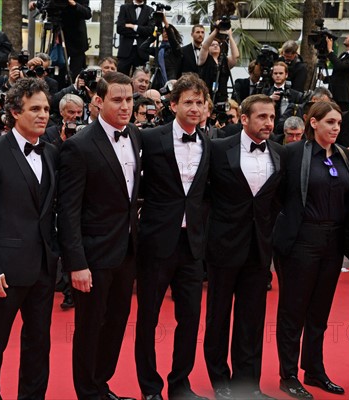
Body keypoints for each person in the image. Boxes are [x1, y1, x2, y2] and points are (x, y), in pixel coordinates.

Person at [0, 78, 59, 399]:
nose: (44, 114)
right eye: (35, 108)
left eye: (46, 108)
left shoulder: (50, 153)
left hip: (44, 270)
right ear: (14, 112)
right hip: (3, 272)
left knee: (38, 346)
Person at [57, 71, 141, 400]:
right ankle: (88, 392)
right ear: (98, 101)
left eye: (130, 99)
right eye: (117, 100)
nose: (125, 106)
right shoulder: (79, 146)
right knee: (90, 327)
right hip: (92, 256)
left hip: (127, 252)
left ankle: (100, 385)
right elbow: (68, 211)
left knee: (116, 324)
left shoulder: (135, 136)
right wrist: (76, 262)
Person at [273, 101, 349, 399]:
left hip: (334, 244)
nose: (336, 128)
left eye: (338, 123)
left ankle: (314, 369)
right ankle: (288, 374)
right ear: (313, 123)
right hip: (301, 241)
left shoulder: (344, 155)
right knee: (293, 311)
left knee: (320, 312)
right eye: (330, 122)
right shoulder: (293, 153)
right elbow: (276, 197)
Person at [204, 94, 285, 400]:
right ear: (244, 119)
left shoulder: (279, 153)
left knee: (252, 320)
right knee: (218, 317)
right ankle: (219, 379)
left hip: (259, 248)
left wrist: (264, 225)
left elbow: (277, 198)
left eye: (272, 117)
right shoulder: (218, 148)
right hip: (223, 246)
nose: (268, 123)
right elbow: (205, 193)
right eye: (262, 117)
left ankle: (247, 383)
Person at [135, 73, 210, 400]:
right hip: (156, 243)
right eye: (189, 102)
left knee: (190, 320)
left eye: (200, 102)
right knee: (147, 320)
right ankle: (150, 388)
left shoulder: (211, 143)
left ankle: (180, 384)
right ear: (173, 104)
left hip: (192, 246)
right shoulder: (150, 139)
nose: (195, 108)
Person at [137, 14, 182, 90]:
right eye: (164, 32)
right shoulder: (158, 49)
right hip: (157, 82)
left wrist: (165, 22)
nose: (166, 33)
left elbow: (174, 43)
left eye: (168, 32)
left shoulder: (176, 49)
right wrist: (154, 36)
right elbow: (142, 48)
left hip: (171, 82)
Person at [198, 26, 239, 104]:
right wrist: (216, 30)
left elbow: (235, 56)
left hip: (222, 98)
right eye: (212, 45)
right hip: (207, 97)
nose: (215, 46)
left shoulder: (224, 60)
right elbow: (204, 47)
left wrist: (230, 36)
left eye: (217, 45)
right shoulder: (204, 59)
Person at [115, 0, 155, 76]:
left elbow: (150, 30)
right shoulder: (124, 8)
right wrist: (139, 33)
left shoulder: (150, 10)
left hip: (141, 51)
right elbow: (120, 28)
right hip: (125, 51)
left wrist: (133, 26)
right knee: (120, 78)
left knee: (140, 78)